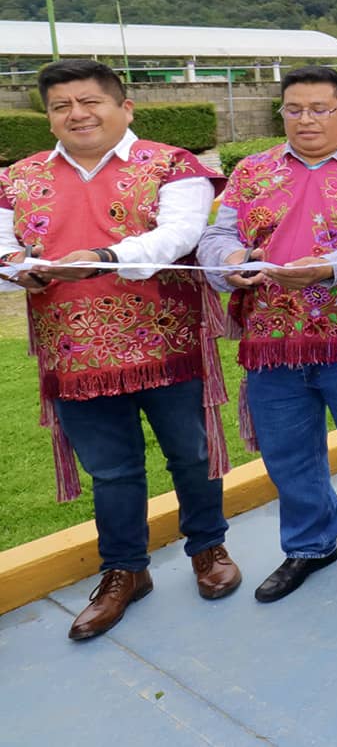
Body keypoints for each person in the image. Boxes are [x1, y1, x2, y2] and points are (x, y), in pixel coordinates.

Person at [0, 59, 239, 640]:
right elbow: (3, 248)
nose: (77, 114)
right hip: (74, 354)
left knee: (190, 454)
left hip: (166, 343)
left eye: (90, 102)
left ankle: (208, 548)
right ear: (49, 116)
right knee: (111, 471)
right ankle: (125, 570)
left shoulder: (171, 165)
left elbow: (178, 235)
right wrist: (16, 271)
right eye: (61, 106)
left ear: (123, 107)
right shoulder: (17, 178)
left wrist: (104, 258)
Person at [201, 66, 337, 601]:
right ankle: (309, 546)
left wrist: (328, 266)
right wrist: (231, 261)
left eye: (320, 108)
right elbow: (218, 235)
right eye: (294, 109)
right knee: (289, 453)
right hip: (272, 342)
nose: (306, 120)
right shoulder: (251, 171)